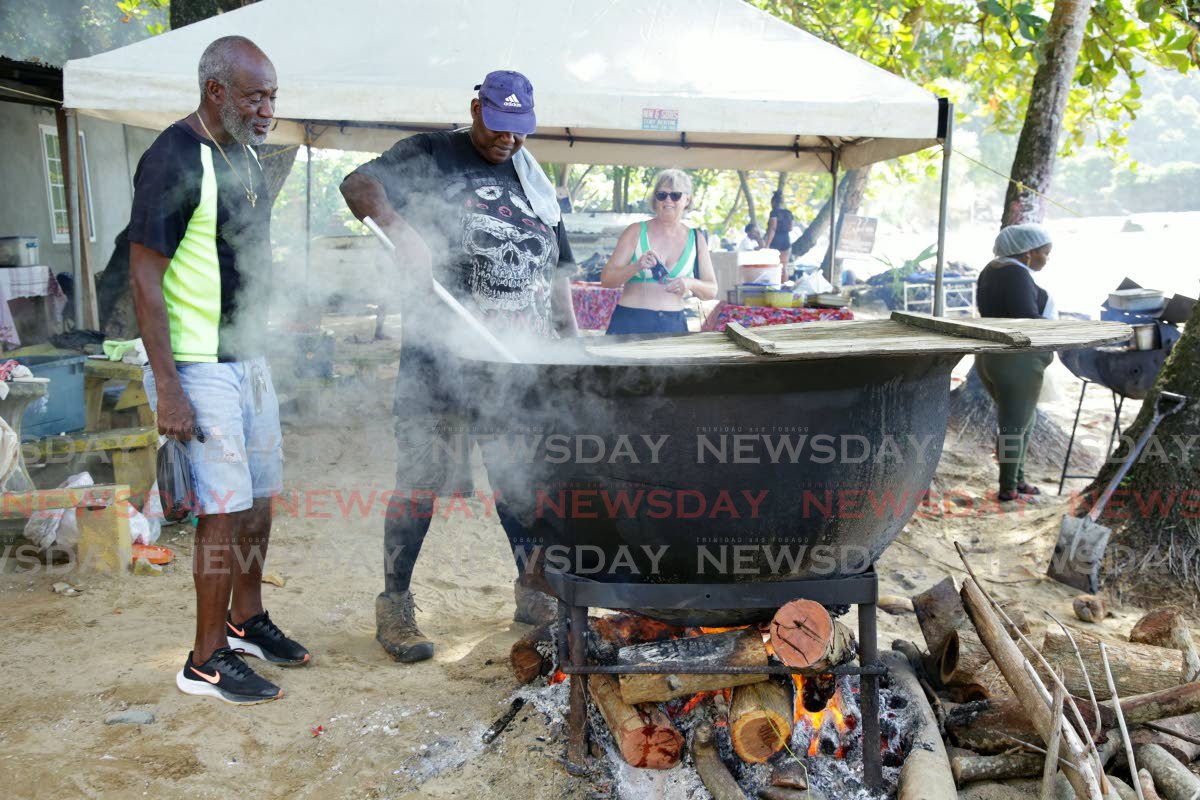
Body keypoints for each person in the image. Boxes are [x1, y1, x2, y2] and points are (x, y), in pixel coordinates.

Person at [339, 70, 579, 663]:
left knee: (521, 488)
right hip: (437, 362)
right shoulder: (430, 153)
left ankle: (533, 586)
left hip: (512, 366)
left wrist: (570, 348)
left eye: (520, 131)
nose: (508, 141)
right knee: (419, 487)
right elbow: (357, 183)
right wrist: (400, 230)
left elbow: (558, 273)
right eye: (498, 126)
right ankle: (395, 605)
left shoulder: (532, 179)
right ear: (477, 108)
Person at [129, 36, 308, 706]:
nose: (268, 109)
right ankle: (204, 659)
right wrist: (168, 387)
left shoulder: (246, 154)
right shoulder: (173, 157)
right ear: (216, 92)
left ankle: (246, 620)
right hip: (197, 366)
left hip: (248, 359)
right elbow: (145, 279)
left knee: (259, 500)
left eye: (273, 97)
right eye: (255, 96)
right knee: (221, 512)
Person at [975, 222, 1057, 502]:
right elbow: (1026, 319)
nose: (1047, 259)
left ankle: (1018, 478)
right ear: (1028, 253)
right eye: (1045, 253)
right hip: (1016, 360)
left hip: (991, 356)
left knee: (1024, 420)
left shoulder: (993, 270)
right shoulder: (1016, 275)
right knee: (1013, 426)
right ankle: (1008, 486)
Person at [599, 169, 718, 334]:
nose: (668, 200)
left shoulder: (696, 238)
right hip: (630, 322)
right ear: (655, 199)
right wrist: (636, 266)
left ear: (687, 200)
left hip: (673, 324)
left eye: (675, 195)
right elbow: (606, 279)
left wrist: (690, 283)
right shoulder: (635, 231)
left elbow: (711, 290)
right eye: (662, 195)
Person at [763, 190, 794, 281]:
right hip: (786, 241)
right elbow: (791, 228)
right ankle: (784, 287)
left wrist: (767, 245)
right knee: (784, 267)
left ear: (773, 202)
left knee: (773, 267)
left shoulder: (774, 213)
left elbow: (773, 228)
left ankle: (775, 286)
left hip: (775, 241)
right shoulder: (789, 213)